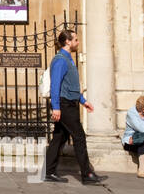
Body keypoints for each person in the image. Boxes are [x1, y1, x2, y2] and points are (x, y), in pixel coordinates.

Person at [42, 29, 106, 184]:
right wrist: (56, 107)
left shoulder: (67, 58)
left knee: (59, 138)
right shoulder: (60, 60)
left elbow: (70, 85)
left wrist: (83, 101)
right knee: (79, 137)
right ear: (67, 42)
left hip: (69, 102)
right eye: (76, 40)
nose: (78, 43)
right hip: (65, 105)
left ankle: (49, 172)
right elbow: (56, 85)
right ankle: (87, 175)